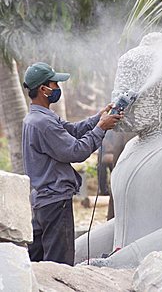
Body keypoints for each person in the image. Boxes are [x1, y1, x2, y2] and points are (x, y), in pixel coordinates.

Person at [75, 31, 162, 268]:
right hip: (125, 269)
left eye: (129, 97)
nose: (119, 106)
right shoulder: (133, 146)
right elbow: (126, 221)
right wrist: (78, 249)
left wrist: (114, 263)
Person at [22, 62, 122, 266]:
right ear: (43, 89)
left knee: (39, 265)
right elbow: (76, 151)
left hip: (42, 201)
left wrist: (97, 118)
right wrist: (101, 129)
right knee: (59, 266)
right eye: (55, 84)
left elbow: (71, 130)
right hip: (55, 202)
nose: (58, 88)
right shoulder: (44, 123)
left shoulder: (36, 118)